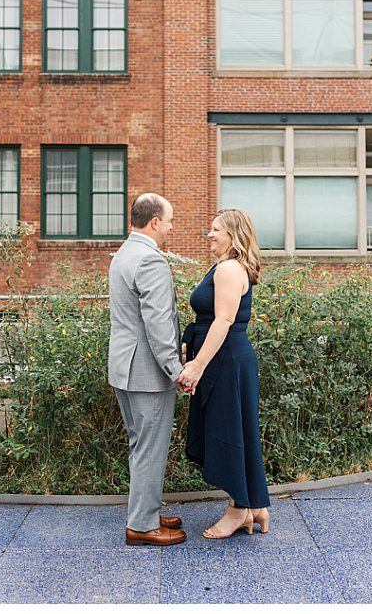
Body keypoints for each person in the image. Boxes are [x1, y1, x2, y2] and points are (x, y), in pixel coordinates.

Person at [108, 192, 196, 547]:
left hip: (124, 368)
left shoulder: (124, 254)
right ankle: (142, 526)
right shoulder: (151, 261)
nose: (172, 227)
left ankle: (144, 511)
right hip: (147, 373)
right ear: (155, 222)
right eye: (170, 221)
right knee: (150, 448)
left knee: (139, 445)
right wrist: (177, 369)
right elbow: (159, 324)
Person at [178, 208, 271, 539]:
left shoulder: (230, 268)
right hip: (225, 359)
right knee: (234, 430)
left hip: (226, 362)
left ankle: (238, 510)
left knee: (229, 432)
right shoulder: (222, 266)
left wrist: (197, 367)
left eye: (216, 230)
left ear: (234, 235)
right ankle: (253, 505)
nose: (209, 234)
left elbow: (223, 321)